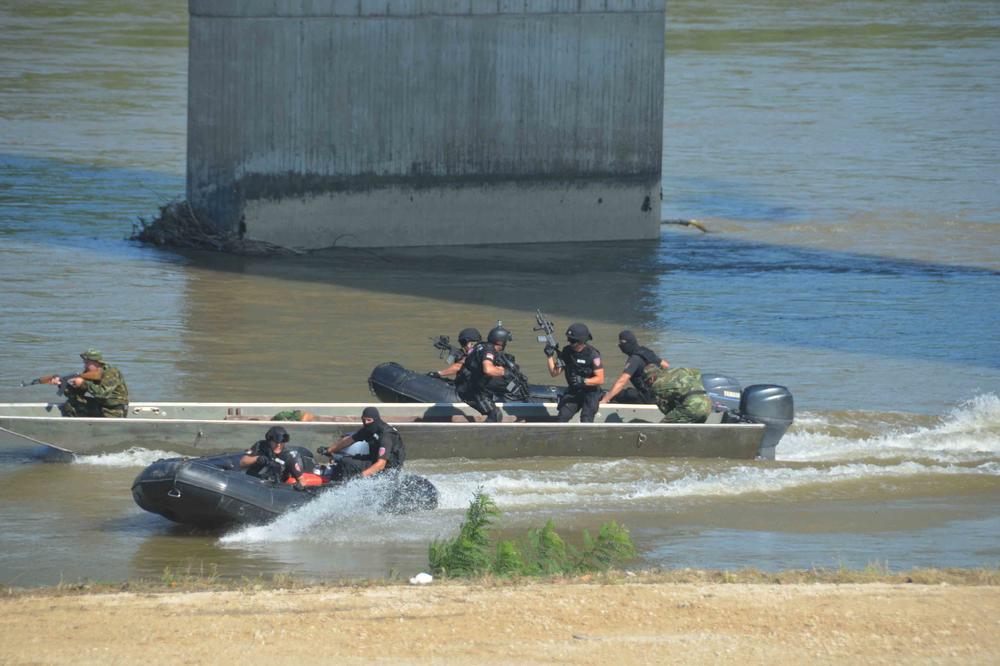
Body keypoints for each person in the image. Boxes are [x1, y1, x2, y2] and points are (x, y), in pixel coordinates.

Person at [319, 407, 405, 481]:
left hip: (388, 469)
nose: (366, 422)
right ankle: (330, 473)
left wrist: (360, 477)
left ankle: (338, 483)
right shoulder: (369, 429)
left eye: (369, 420)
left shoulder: (385, 436)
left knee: (348, 462)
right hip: (374, 459)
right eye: (364, 420)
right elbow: (349, 440)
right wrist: (328, 450)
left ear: (376, 419)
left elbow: (381, 465)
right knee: (343, 458)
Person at [454, 325, 515, 422]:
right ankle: (484, 434)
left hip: (475, 387)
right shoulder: (489, 350)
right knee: (495, 415)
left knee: (494, 412)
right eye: (505, 341)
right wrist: (503, 372)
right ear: (500, 342)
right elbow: (488, 369)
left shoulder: (482, 347)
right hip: (472, 391)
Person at [545, 322, 605, 422]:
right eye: (569, 339)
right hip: (574, 392)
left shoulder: (593, 354)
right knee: (562, 417)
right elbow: (554, 373)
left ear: (581, 341)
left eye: (572, 340)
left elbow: (600, 379)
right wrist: (549, 356)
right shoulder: (567, 351)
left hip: (590, 392)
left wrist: (583, 381)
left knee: (586, 419)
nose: (569, 342)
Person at [50, 349, 129, 418]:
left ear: (97, 363)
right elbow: (74, 395)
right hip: (101, 406)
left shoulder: (111, 372)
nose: (85, 366)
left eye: (87, 363)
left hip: (115, 409)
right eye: (85, 363)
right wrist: (61, 384)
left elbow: (103, 394)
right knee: (71, 403)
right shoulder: (88, 373)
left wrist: (84, 383)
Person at [600, 330, 670, 405]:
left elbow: (622, 381)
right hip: (659, 395)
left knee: (607, 394)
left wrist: (605, 400)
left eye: (621, 343)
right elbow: (665, 365)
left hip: (647, 398)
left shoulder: (634, 359)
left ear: (625, 343)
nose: (620, 346)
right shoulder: (645, 352)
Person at [240, 425, 306, 489]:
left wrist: (300, 485)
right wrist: (257, 458)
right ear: (269, 440)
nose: (278, 445)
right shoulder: (260, 446)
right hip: (252, 483)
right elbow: (242, 462)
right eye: (275, 442)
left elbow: (302, 479)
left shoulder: (288, 457)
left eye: (281, 442)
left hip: (272, 490)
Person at [642, 363, 711, 424]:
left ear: (652, 378)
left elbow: (667, 409)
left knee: (663, 427)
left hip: (692, 407)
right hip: (708, 404)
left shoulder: (656, 387)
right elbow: (697, 372)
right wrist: (695, 387)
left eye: (647, 382)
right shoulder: (679, 370)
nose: (647, 384)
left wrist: (671, 416)